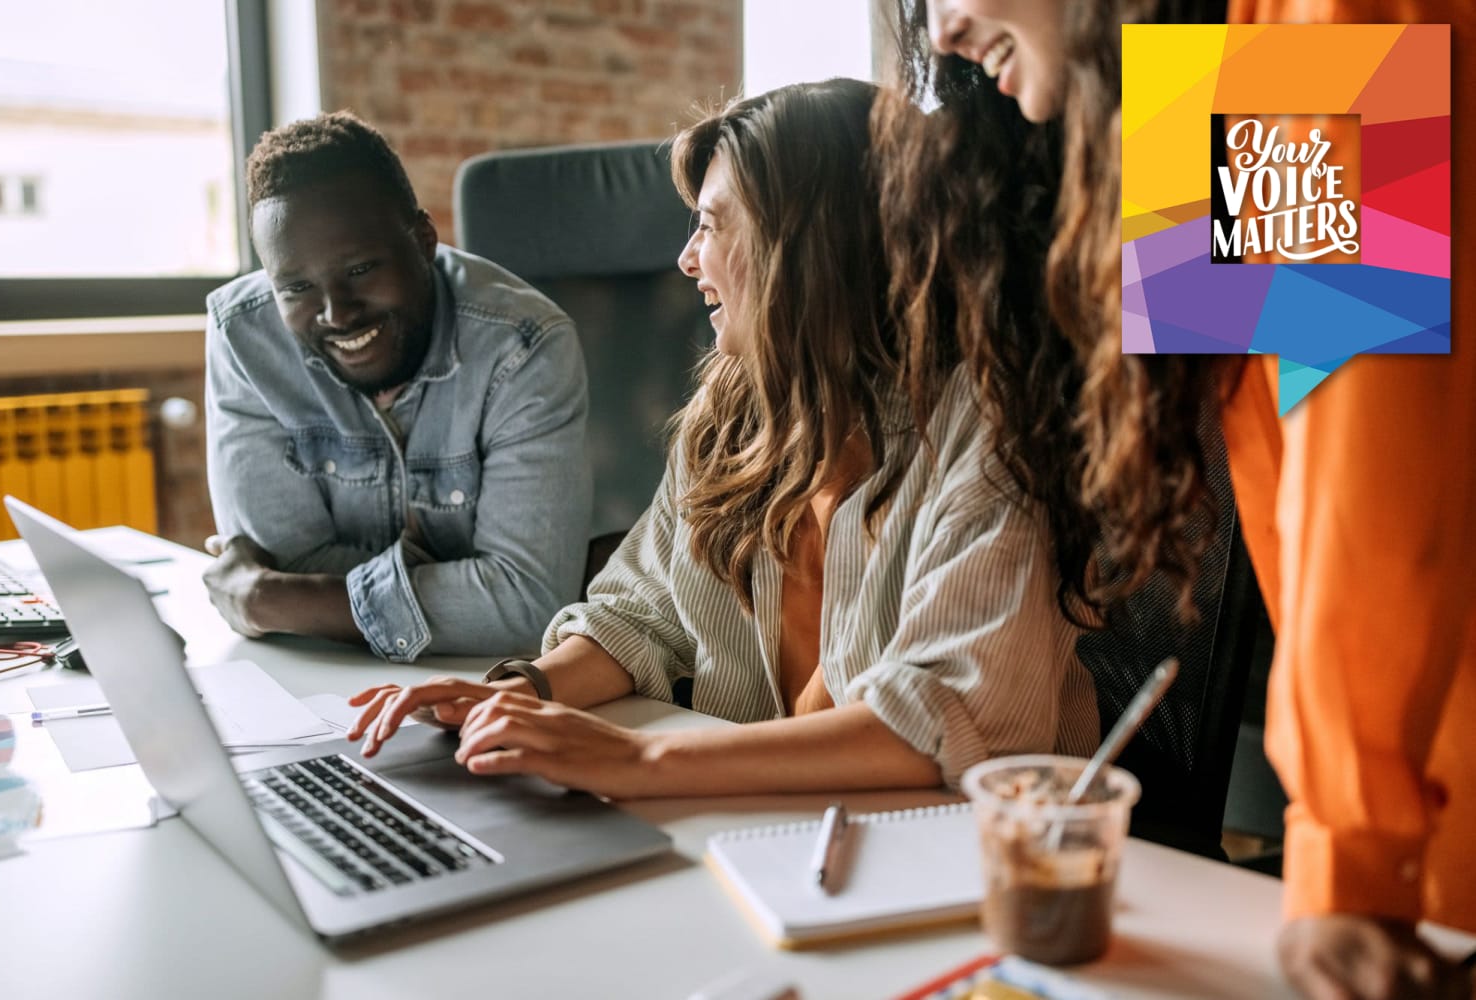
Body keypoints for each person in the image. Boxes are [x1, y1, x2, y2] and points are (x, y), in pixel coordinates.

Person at [890, 3, 1476, 998]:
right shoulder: (1194, 82)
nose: (940, 30)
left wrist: (1350, 856)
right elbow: (1286, 498)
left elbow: (1371, 470)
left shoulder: (1310, 28)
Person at [346, 78, 1099, 800]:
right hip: (760, 822)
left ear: (809, 246)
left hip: (972, 851)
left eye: (709, 224)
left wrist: (643, 756)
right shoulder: (731, 411)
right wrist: (517, 692)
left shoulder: (989, 425)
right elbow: (640, 612)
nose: (685, 259)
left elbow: (943, 719)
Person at [203, 111, 591, 662]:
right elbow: (280, 557)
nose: (337, 314)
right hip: (320, 676)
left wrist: (269, 599)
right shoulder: (243, 334)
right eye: (297, 287)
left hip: (484, 685)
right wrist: (460, 587)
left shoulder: (524, 343)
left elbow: (527, 608)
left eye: (360, 269)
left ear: (423, 239)